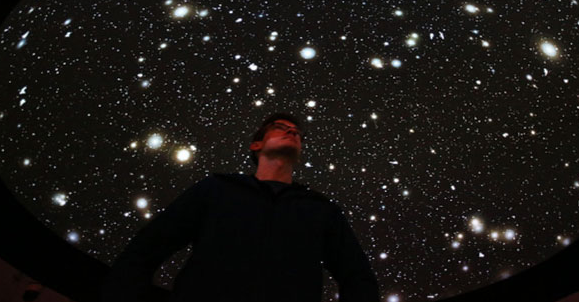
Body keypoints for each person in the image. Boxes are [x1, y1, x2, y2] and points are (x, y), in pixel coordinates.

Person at [100, 112, 380, 302]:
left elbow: (358, 278)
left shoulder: (321, 210)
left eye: (296, 132)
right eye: (280, 128)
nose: (292, 132)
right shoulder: (216, 189)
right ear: (256, 145)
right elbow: (147, 248)